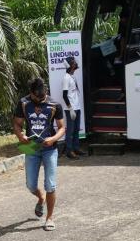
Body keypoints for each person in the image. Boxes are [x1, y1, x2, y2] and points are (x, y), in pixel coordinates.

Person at [13, 78, 65, 231]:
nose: (40, 100)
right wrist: (20, 136)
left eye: (43, 97)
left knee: (50, 185)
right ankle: (40, 198)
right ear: (31, 94)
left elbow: (62, 128)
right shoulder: (23, 103)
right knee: (30, 185)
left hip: (50, 147)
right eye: (37, 98)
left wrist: (53, 138)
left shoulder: (55, 105)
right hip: (31, 146)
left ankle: (49, 218)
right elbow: (17, 124)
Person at [62, 57, 86, 159]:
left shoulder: (73, 76)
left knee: (76, 129)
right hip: (70, 109)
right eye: (73, 62)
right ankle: (69, 151)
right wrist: (70, 108)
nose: (75, 63)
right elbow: (64, 95)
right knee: (70, 131)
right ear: (69, 65)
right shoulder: (66, 78)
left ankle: (76, 148)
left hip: (77, 107)